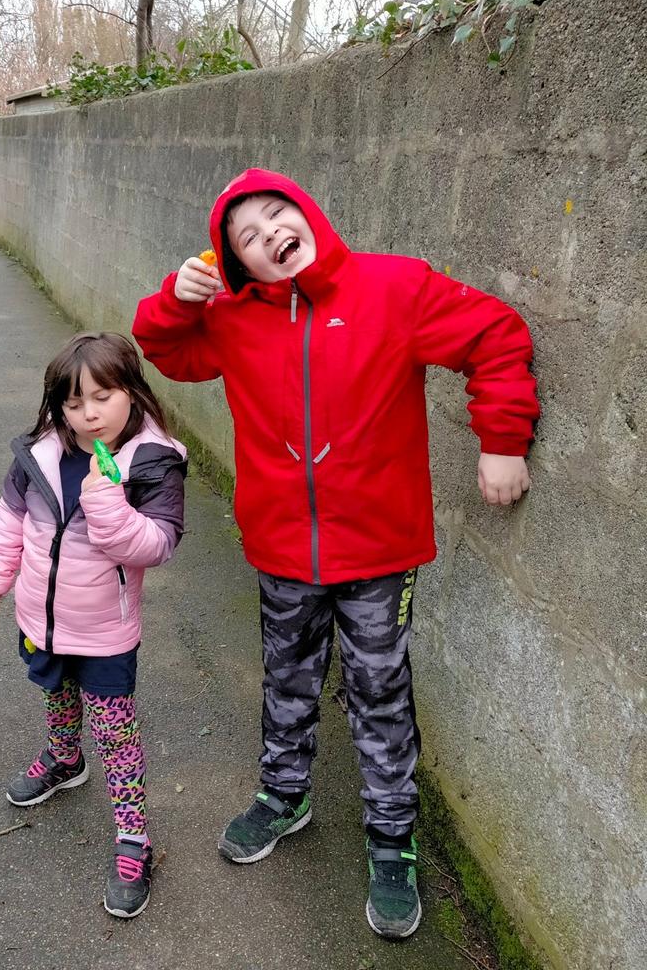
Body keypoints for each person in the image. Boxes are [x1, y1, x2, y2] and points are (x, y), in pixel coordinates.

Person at [131, 168, 538, 939]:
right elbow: (166, 350)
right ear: (237, 264)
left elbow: (495, 333)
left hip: (380, 550)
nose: (270, 235)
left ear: (308, 212)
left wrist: (502, 441)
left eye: (277, 214)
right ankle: (284, 796)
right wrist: (176, 299)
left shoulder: (394, 287)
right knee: (287, 678)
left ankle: (392, 840)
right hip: (281, 546)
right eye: (247, 237)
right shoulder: (232, 317)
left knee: (379, 694)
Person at [0, 331, 187, 919]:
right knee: (56, 691)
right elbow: (9, 521)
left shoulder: (151, 462)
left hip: (104, 629)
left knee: (116, 733)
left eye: (102, 396)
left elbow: (156, 545)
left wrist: (107, 500)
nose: (88, 414)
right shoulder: (39, 455)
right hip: (41, 616)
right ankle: (66, 758)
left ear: (132, 392)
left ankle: (134, 839)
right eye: (73, 402)